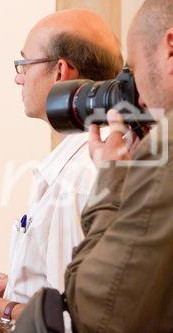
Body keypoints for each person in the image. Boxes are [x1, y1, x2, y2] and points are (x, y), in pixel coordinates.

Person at [0, 9, 123, 332]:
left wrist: (3, 312)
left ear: (60, 71)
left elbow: (78, 316)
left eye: (24, 65)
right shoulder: (99, 162)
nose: (19, 77)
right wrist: (21, 285)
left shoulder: (77, 178)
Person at [62, 0, 173, 332]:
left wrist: (112, 178)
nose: (138, 99)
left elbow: (97, 309)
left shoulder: (165, 149)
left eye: (135, 69)